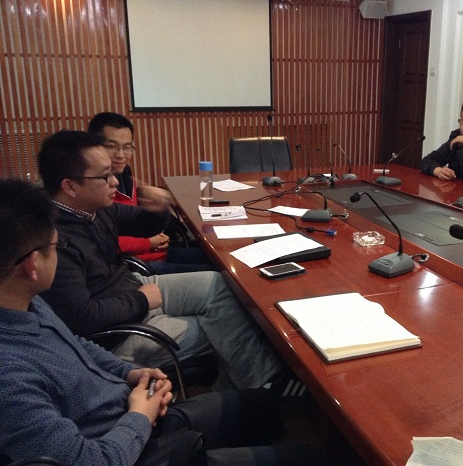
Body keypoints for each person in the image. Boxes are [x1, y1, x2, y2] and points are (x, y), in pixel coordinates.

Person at [0, 178, 324, 466]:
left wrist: (129, 373)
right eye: (56, 246)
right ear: (32, 265)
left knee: (265, 407)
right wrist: (140, 416)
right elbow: (91, 460)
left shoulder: (27, 302)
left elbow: (77, 344)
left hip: (133, 409)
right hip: (135, 442)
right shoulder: (10, 380)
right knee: (310, 457)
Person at [37, 130, 285, 390]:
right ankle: (264, 391)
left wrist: (156, 210)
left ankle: (248, 388)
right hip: (119, 334)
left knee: (219, 285)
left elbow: (141, 224)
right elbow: (81, 317)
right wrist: (141, 300)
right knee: (225, 329)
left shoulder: (91, 209)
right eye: (104, 176)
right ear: (70, 186)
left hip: (132, 289)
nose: (114, 182)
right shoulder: (55, 241)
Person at [88, 112, 216, 274]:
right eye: (112, 146)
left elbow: (135, 221)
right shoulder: (94, 189)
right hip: (135, 265)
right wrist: (148, 242)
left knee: (217, 259)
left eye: (127, 147)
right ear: (94, 146)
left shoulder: (124, 174)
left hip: (156, 253)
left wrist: (157, 212)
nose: (121, 155)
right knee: (220, 275)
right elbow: (103, 241)